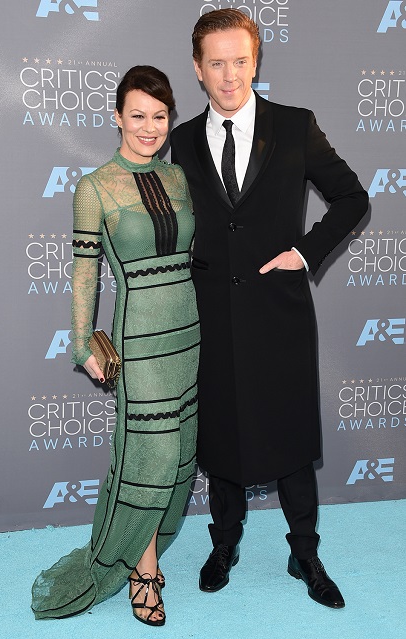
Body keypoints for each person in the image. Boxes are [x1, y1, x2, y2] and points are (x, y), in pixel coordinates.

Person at [171, 9, 368, 609]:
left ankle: (304, 552)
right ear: (198, 70)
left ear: (256, 61)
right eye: (216, 64)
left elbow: (351, 198)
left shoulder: (295, 125)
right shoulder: (178, 142)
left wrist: (304, 254)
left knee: (289, 439)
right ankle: (223, 543)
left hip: (278, 313)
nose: (230, 77)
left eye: (241, 61)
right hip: (209, 315)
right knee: (222, 437)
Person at [31, 66, 200, 626]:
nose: (150, 128)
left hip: (189, 337)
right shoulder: (95, 187)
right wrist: (83, 343)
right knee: (149, 461)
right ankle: (142, 571)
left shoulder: (179, 177)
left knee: (179, 458)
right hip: (139, 343)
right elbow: (86, 274)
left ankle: (146, 554)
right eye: (138, 116)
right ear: (117, 117)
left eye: (160, 116)